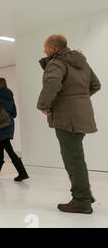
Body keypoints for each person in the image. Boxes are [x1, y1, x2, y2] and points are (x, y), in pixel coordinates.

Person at [37, 34, 101, 214]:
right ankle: (85, 194)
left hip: (67, 118)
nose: (44, 50)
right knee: (77, 156)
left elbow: (52, 84)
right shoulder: (82, 63)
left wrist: (44, 105)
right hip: (82, 115)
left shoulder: (56, 63)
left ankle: (81, 201)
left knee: (73, 159)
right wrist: (78, 99)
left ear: (53, 48)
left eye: (45, 46)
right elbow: (96, 85)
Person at [0, 78, 29, 181]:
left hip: (1, 123)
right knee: (0, 145)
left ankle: (22, 173)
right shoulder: (10, 95)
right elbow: (14, 113)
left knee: (8, 148)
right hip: (9, 122)